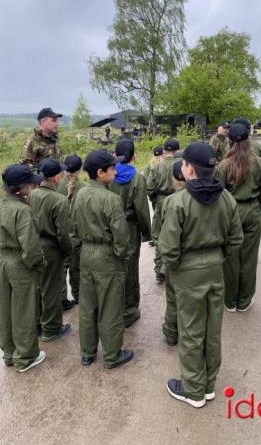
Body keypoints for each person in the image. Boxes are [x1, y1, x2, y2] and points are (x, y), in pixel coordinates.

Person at [159, 143, 243, 408]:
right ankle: (208, 386)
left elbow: (168, 249)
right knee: (212, 328)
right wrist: (217, 258)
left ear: (188, 169)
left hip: (187, 272)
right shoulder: (227, 198)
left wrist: (177, 270)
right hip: (215, 269)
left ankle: (193, 390)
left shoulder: (177, 202)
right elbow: (235, 239)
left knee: (191, 330)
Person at [70, 150, 134, 368]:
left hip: (86, 254)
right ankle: (112, 355)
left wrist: (80, 250)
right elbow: (122, 238)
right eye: (112, 168)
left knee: (88, 306)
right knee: (110, 307)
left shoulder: (79, 195)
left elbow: (74, 229)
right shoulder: (111, 199)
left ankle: (87, 352)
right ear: (100, 172)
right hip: (107, 256)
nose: (115, 171)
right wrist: (120, 256)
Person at [0, 164, 46, 372]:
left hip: (2, 261)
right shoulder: (22, 210)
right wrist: (38, 266)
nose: (33, 184)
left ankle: (9, 353)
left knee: (5, 308)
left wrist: (3, 259)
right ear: (22, 187)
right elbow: (30, 246)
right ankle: (25, 356)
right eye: (30, 182)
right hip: (20, 263)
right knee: (23, 309)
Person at [216, 124, 261, 312]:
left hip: (231, 212)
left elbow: (218, 194)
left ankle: (230, 301)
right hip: (252, 210)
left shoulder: (223, 165)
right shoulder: (258, 163)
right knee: (249, 258)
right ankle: (244, 301)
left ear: (230, 140)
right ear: (248, 139)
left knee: (230, 258)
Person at [109, 139, 151, 328]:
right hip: (130, 227)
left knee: (113, 266)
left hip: (110, 227)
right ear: (133, 155)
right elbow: (142, 209)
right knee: (130, 268)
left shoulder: (109, 174)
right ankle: (129, 309)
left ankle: (113, 306)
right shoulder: (137, 178)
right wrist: (147, 232)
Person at [29, 158, 72, 342]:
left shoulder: (31, 194)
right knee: (52, 289)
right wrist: (68, 251)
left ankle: (38, 324)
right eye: (60, 173)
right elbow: (63, 234)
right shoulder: (59, 200)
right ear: (56, 177)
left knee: (38, 286)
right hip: (51, 247)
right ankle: (52, 328)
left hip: (33, 243)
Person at [147, 138, 180, 282]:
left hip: (161, 201)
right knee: (176, 233)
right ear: (177, 150)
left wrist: (155, 199)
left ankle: (159, 268)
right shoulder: (180, 165)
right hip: (178, 200)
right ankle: (174, 266)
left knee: (160, 235)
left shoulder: (157, 167)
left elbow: (149, 187)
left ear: (165, 151)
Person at [162, 160, 186, 346]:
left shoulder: (170, 201)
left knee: (172, 297)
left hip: (175, 257)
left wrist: (168, 261)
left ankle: (171, 331)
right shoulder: (198, 198)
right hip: (191, 258)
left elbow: (166, 234)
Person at [57, 154, 84, 310]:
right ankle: (78, 295)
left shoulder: (56, 184)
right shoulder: (84, 188)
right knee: (76, 268)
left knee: (61, 268)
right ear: (80, 170)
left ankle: (61, 299)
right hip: (76, 235)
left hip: (60, 233)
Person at [143, 145, 164, 247]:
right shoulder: (161, 164)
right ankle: (157, 236)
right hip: (158, 194)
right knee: (158, 216)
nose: (157, 158)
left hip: (155, 195)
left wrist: (151, 194)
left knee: (157, 215)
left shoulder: (151, 164)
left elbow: (146, 181)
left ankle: (156, 236)